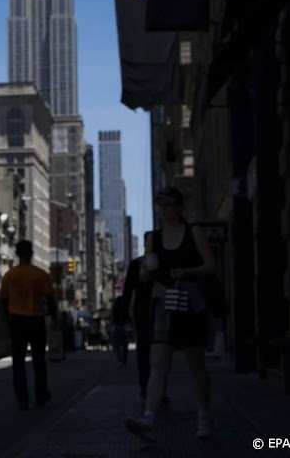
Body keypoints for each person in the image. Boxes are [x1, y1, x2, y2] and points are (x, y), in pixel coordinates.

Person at [125, 187, 217, 441]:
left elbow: (211, 266)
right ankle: (148, 417)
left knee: (195, 362)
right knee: (158, 362)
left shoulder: (193, 232)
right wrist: (145, 269)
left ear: (179, 207)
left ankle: (204, 416)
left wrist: (187, 273)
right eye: (160, 205)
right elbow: (145, 275)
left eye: (168, 204)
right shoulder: (153, 238)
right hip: (164, 301)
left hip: (190, 302)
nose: (163, 209)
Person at [0, 239, 54, 410]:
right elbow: (51, 300)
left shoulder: (9, 275)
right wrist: (54, 319)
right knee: (39, 361)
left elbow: (2, 301)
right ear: (31, 253)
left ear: (16, 254)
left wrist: (5, 319)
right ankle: (41, 395)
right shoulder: (41, 274)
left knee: (18, 362)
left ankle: (22, 399)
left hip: (16, 321)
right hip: (36, 320)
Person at [123, 235, 168, 404]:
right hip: (158, 311)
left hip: (144, 313)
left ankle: (146, 389)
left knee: (145, 353)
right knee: (161, 351)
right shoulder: (162, 262)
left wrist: (125, 316)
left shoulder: (136, 264)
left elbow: (127, 292)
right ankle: (159, 391)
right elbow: (127, 292)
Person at [111, 294, 129, 369]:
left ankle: (119, 361)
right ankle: (124, 360)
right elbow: (128, 319)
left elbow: (112, 319)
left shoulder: (114, 309)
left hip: (116, 328)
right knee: (125, 345)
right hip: (124, 327)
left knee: (116, 346)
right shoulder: (125, 309)